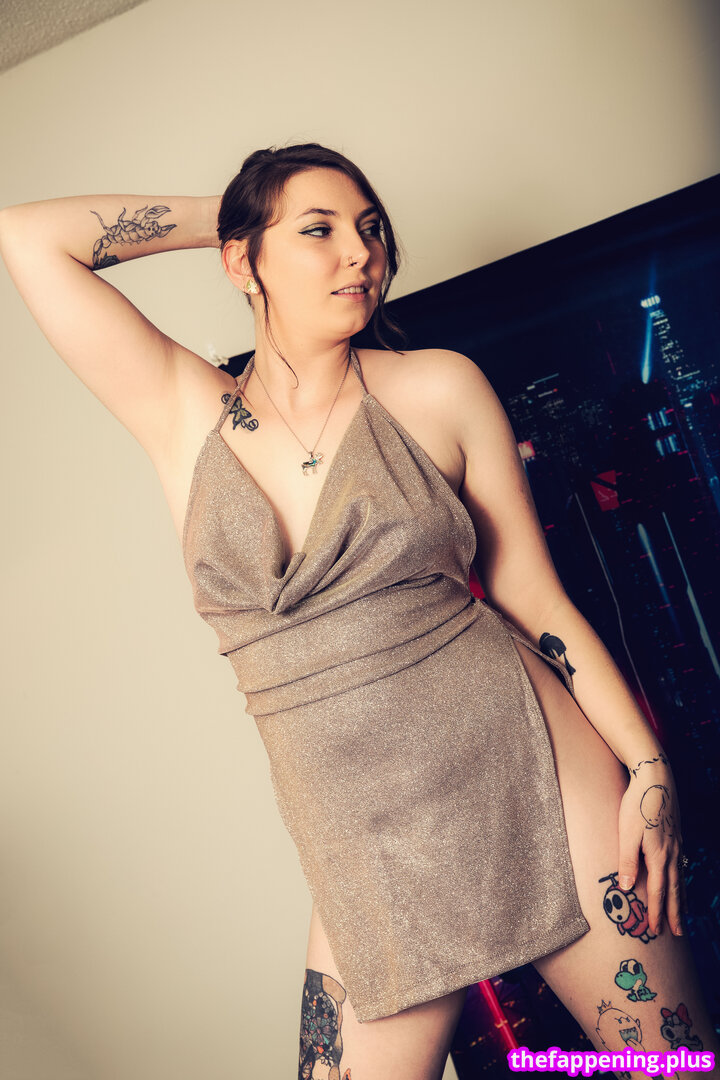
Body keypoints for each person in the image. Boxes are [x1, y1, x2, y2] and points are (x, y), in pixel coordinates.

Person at [1, 143, 716, 1080]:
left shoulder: (439, 387)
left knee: (674, 1068)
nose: (360, 252)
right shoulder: (183, 411)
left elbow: (535, 597)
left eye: (372, 229)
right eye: (320, 231)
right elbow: (30, 237)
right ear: (242, 259)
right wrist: (237, 211)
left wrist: (648, 767)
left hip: (534, 772)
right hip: (362, 844)